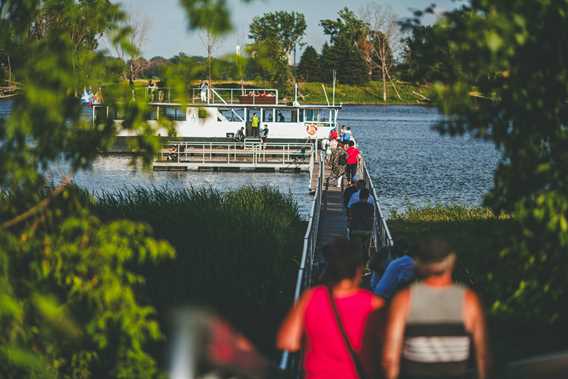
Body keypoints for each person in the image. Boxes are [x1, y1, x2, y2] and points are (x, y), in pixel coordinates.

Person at [277, 237, 384, 379]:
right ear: (358, 269)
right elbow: (387, 348)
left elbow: (288, 341)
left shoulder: (312, 297)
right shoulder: (374, 303)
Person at [383, 239, 489, 379]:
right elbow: (482, 355)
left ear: (418, 263)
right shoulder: (468, 300)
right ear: (451, 261)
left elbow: (391, 357)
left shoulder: (404, 300)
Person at [348, 189, 374, 256]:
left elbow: (350, 217)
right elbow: (371, 218)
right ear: (368, 197)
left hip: (355, 230)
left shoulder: (353, 206)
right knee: (366, 248)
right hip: (367, 231)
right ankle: (365, 261)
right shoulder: (371, 207)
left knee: (354, 249)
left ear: (359, 196)